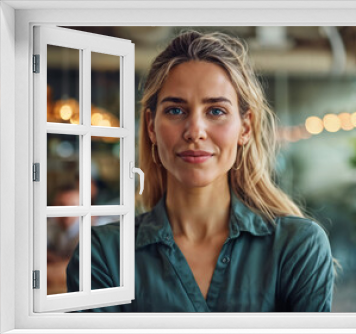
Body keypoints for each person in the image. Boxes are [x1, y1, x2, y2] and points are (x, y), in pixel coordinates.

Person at [67, 30, 335, 312]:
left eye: (216, 111)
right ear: (150, 127)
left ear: (245, 127)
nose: (195, 131)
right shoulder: (104, 254)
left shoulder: (297, 247)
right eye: (175, 111)